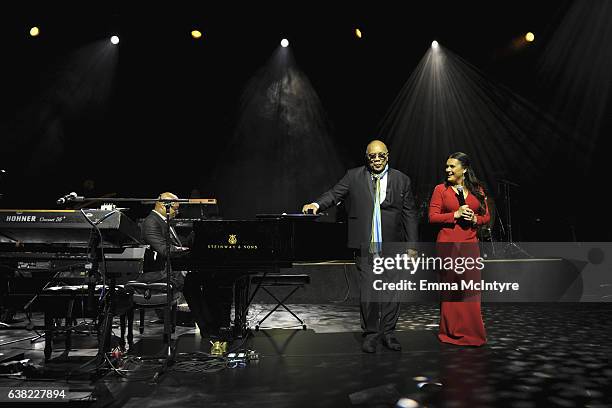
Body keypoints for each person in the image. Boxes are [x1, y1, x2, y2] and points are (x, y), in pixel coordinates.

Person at [303, 140, 419, 353]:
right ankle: (371, 333)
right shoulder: (353, 176)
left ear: (387, 156)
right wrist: (316, 204)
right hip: (365, 246)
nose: (376, 160)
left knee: (393, 292)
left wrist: (412, 247)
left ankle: (389, 333)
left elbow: (410, 214)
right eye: (372, 156)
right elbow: (334, 193)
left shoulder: (402, 180)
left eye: (380, 156)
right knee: (368, 291)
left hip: (394, 246)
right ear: (367, 157)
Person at [428, 152, 490, 346]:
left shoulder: (477, 189)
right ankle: (450, 332)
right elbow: (432, 217)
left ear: (464, 169)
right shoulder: (440, 189)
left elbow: (486, 217)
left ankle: (472, 333)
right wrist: (455, 214)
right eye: (446, 166)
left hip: (470, 243)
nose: (447, 170)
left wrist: (475, 220)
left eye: (452, 166)